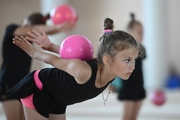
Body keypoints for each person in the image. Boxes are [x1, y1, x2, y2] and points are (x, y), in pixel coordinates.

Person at [7, 18, 140, 120]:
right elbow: (54, 61)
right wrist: (33, 52)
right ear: (107, 60)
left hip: (58, 99)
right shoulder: (84, 71)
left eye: (134, 59)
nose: (132, 65)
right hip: (39, 89)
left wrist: (52, 46)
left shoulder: (110, 69)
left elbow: (76, 53)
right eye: (127, 60)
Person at [0, 12, 75, 120]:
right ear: (25, 23)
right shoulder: (12, 29)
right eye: (27, 27)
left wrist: (58, 28)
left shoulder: (29, 39)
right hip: (8, 82)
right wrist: (57, 27)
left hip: (22, 83)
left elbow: (40, 31)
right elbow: (31, 30)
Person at [115, 13, 146, 120]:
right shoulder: (124, 49)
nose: (142, 35)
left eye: (142, 32)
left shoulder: (142, 48)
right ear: (130, 33)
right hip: (128, 86)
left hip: (139, 85)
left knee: (134, 117)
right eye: (139, 32)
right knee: (127, 117)